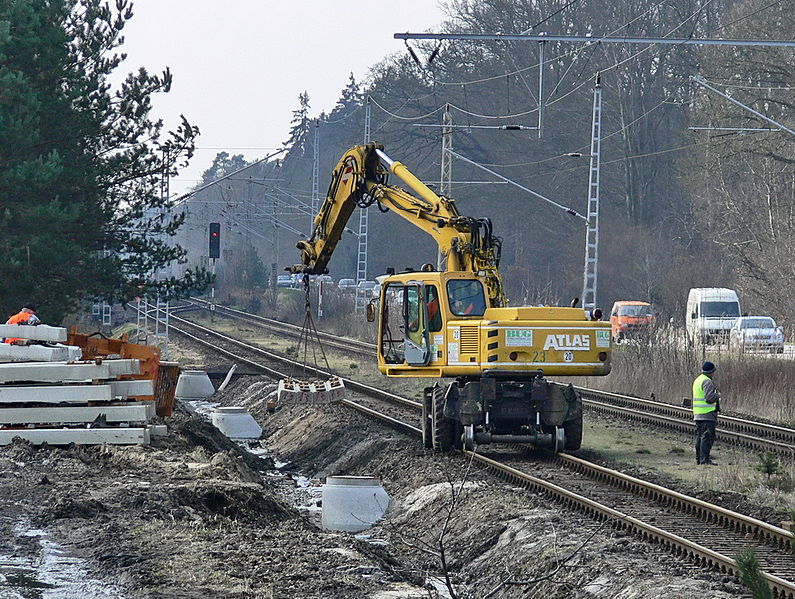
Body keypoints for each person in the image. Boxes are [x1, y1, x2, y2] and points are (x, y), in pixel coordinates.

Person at [692, 361, 720, 465]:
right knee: (707, 437)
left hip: (698, 413)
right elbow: (708, 398)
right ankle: (705, 460)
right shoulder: (707, 381)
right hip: (707, 413)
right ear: (711, 372)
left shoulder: (698, 380)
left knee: (700, 437)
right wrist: (718, 395)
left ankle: (699, 459)